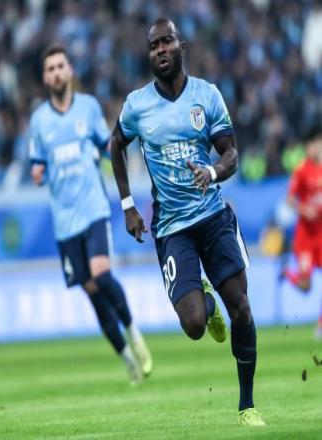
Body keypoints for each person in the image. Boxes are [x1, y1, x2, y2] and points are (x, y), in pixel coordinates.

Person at [110, 19, 265, 425]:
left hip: (213, 218)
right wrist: (127, 205)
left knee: (242, 308)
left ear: (182, 46)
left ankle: (247, 405)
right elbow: (115, 144)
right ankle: (205, 302)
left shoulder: (207, 96)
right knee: (195, 324)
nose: (160, 50)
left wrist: (211, 172)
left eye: (167, 42)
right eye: (153, 45)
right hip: (172, 228)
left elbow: (231, 154)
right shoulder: (137, 105)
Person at [28, 45, 152, 385]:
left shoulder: (88, 108)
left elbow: (108, 147)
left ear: (69, 71)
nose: (56, 73)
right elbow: (36, 164)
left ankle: (134, 332)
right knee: (93, 291)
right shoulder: (39, 121)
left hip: (93, 208)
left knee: (101, 274)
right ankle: (127, 359)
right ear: (45, 77)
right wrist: (38, 173)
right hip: (65, 222)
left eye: (60, 66)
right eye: (50, 68)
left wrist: (118, 162)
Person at [283, 129, 322, 339]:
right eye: (314, 144)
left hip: (321, 235)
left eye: (319, 143)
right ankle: (288, 274)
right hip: (305, 238)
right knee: (306, 287)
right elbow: (289, 199)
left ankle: (321, 324)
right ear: (308, 147)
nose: (317, 147)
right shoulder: (301, 170)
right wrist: (304, 209)